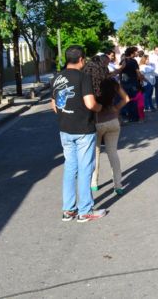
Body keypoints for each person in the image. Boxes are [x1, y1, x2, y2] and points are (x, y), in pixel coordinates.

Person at [51, 45, 107, 222]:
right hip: (84, 129)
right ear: (82, 59)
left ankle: (68, 210)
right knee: (85, 169)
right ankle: (85, 211)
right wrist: (100, 108)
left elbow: (54, 105)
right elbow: (90, 104)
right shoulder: (83, 77)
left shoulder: (56, 77)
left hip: (65, 130)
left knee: (70, 168)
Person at [92, 76, 130, 195]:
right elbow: (126, 99)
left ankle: (94, 183)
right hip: (113, 121)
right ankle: (118, 185)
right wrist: (116, 108)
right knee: (113, 153)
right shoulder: (113, 82)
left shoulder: (92, 82)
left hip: (97, 122)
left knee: (95, 153)